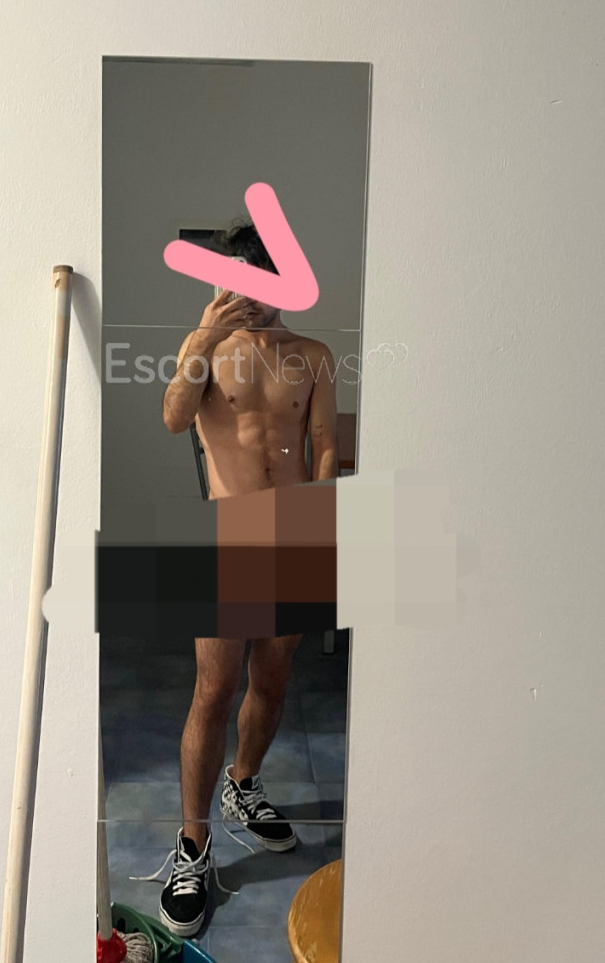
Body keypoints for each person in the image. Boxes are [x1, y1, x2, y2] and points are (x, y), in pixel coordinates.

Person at [152, 219, 339, 937]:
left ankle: (244, 783)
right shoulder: (204, 348)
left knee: (274, 678)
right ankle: (192, 846)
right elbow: (173, 419)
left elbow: (324, 444)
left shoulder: (313, 356)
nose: (254, 301)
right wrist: (201, 342)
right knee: (213, 690)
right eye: (242, 286)